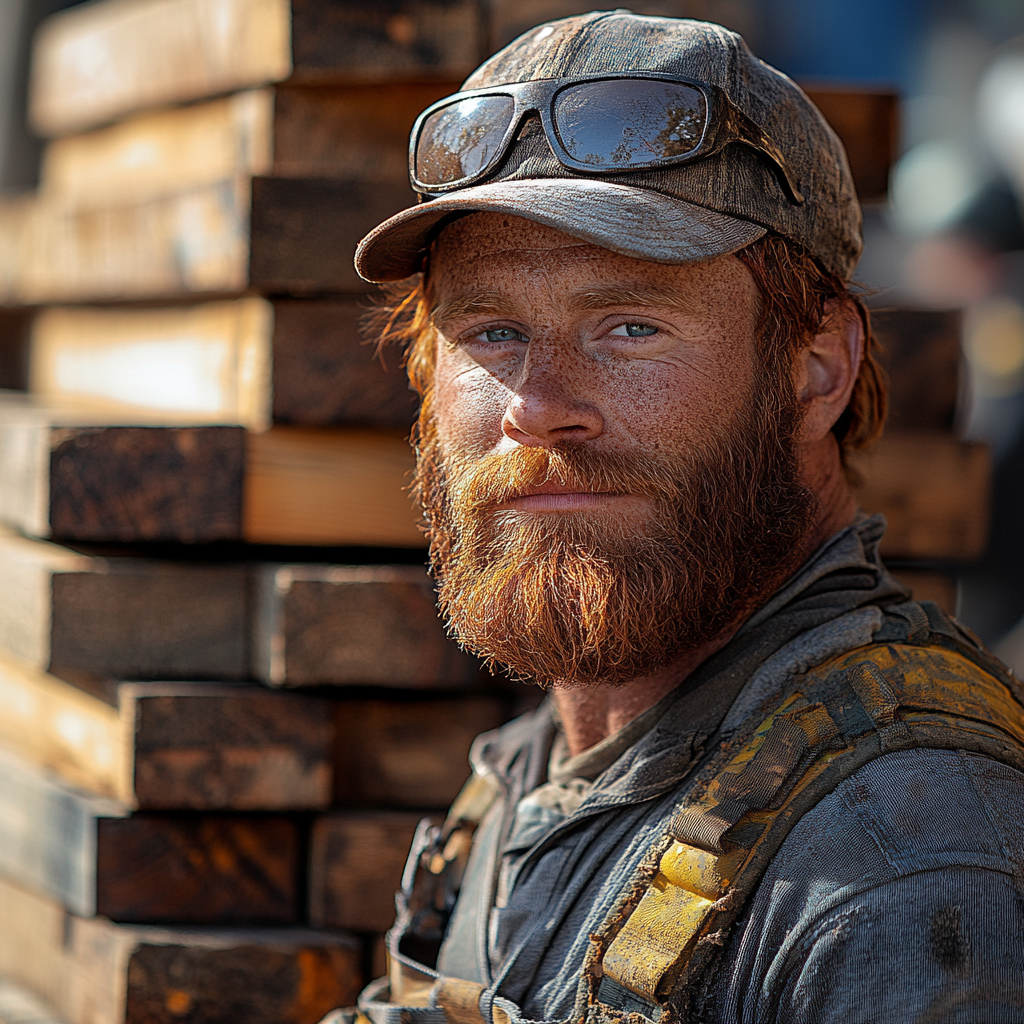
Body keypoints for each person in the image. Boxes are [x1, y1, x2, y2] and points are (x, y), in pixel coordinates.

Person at [332, 12, 1024, 1024]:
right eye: (491, 331)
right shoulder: (562, 751)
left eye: (629, 325)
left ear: (815, 365)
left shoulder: (903, 871)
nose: (538, 403)